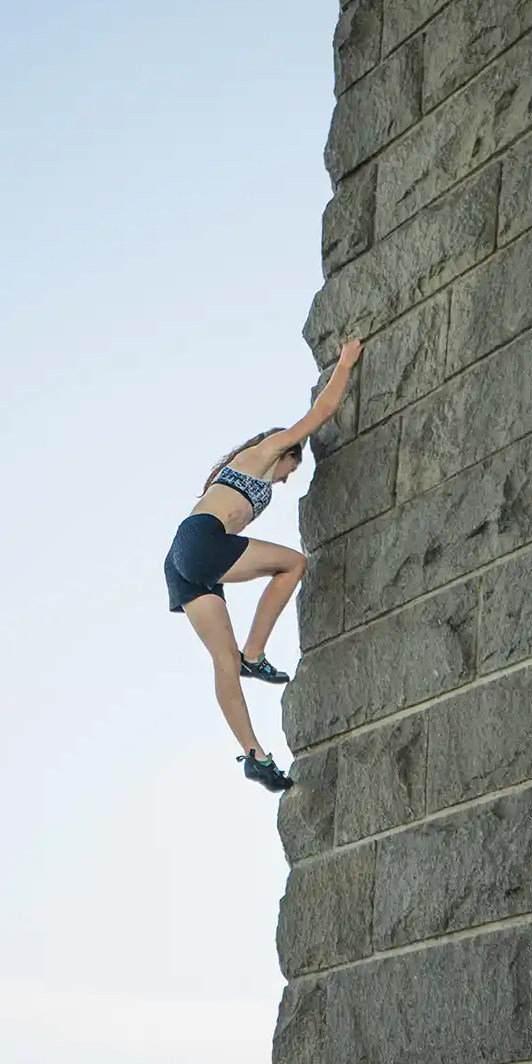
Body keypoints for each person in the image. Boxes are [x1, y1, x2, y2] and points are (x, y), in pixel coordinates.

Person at [163, 338, 364, 792]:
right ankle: (256, 653)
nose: (290, 476)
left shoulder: (237, 471)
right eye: (294, 467)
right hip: (200, 542)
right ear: (285, 452)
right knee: (293, 564)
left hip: (180, 559)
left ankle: (255, 755)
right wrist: (346, 362)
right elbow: (319, 414)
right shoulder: (266, 451)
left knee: (223, 660)